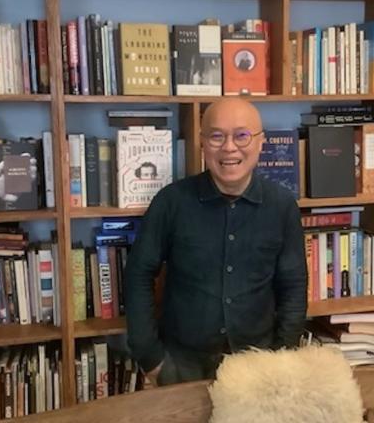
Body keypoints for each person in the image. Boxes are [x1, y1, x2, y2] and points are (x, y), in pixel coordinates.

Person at [125, 97, 308, 386]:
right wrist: (150, 357)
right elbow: (138, 274)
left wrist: (283, 355)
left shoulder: (282, 206)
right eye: (217, 136)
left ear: (261, 142)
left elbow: (294, 285)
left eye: (242, 135)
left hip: (259, 366)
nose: (229, 147)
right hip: (181, 366)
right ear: (202, 142)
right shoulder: (170, 202)